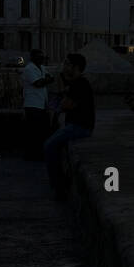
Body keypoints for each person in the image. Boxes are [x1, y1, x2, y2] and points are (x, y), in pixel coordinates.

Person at [43, 53, 95, 201]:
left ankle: (58, 186)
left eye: (67, 64)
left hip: (80, 127)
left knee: (48, 146)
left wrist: (62, 97)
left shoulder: (79, 84)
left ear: (76, 67)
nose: (64, 67)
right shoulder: (77, 83)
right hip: (78, 125)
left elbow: (65, 105)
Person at [20, 49, 54, 161]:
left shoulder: (42, 68)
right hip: (32, 104)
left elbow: (50, 77)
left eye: (42, 57)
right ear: (33, 58)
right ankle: (31, 155)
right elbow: (38, 83)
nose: (42, 59)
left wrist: (46, 79)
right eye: (39, 57)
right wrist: (47, 80)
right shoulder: (29, 69)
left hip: (41, 104)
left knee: (40, 131)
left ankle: (37, 154)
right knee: (33, 132)